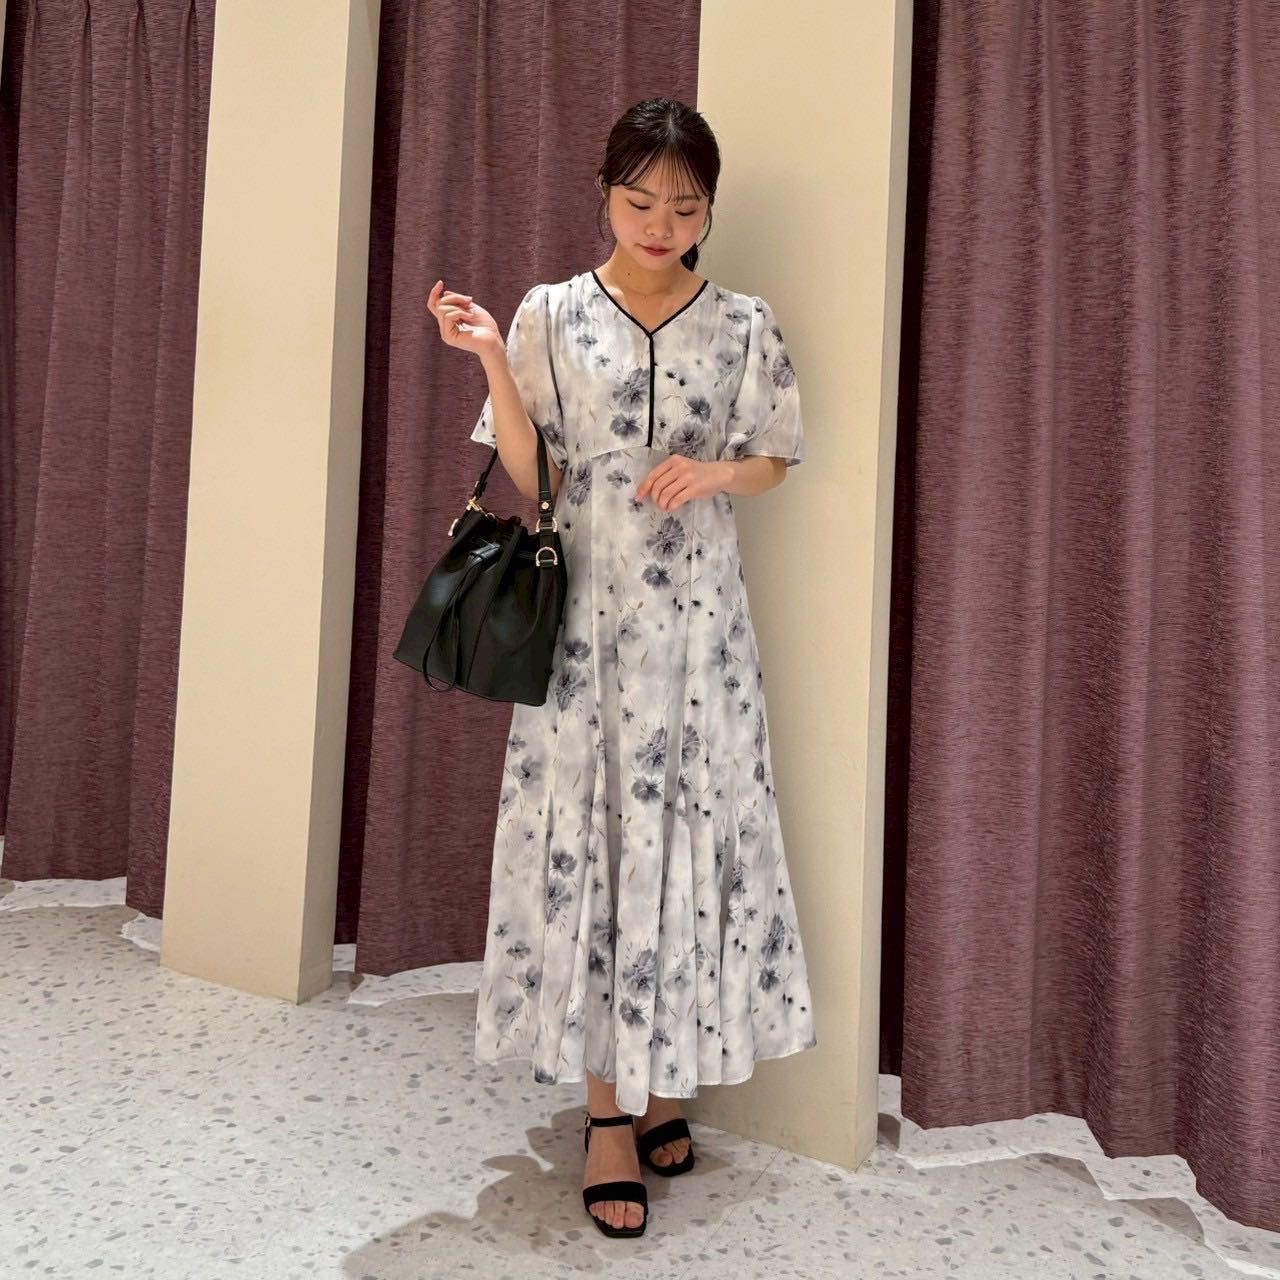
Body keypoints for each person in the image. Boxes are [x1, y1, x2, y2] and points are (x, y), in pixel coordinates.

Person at [426, 98, 817, 1239]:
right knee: (596, 839)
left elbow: (775, 455)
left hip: (701, 633)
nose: (660, 223)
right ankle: (607, 1113)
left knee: (687, 835)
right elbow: (530, 470)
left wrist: (716, 475)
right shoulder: (549, 313)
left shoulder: (742, 323)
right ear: (603, 193)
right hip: (585, 627)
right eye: (640, 199)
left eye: (684, 206)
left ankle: (664, 1075)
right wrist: (491, 357)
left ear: (709, 210)